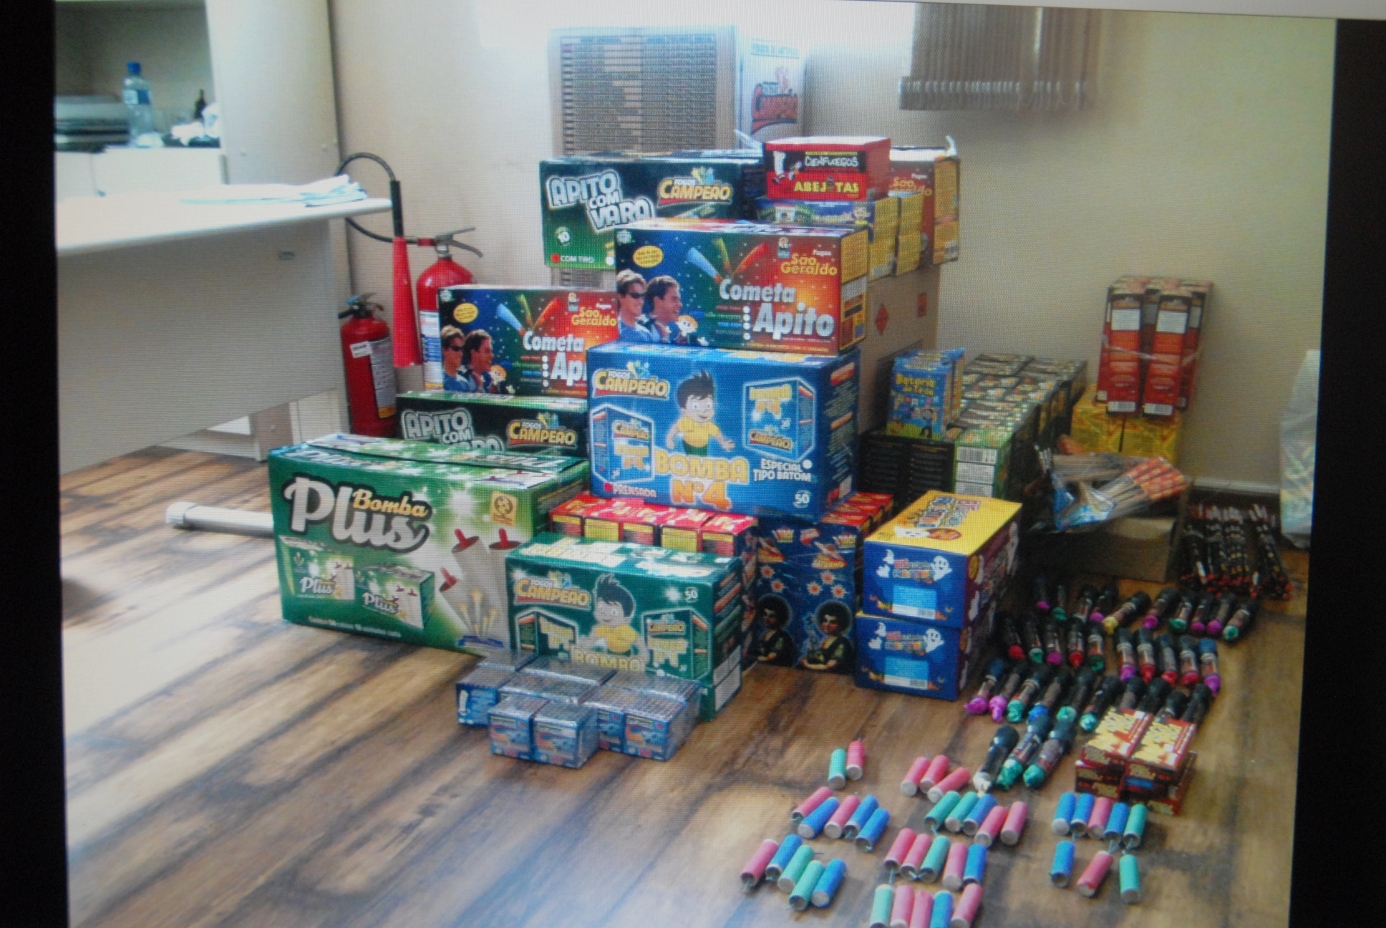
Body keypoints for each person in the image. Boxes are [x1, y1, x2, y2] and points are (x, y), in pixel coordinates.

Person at [666, 370, 734, 455]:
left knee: (702, 459)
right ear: (684, 411)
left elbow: (717, 434)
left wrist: (723, 442)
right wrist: (669, 439)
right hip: (688, 445)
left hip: (703, 447)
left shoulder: (709, 425)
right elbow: (676, 427)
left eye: (708, 405)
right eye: (696, 406)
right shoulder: (687, 422)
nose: (704, 410)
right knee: (690, 458)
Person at [589, 574, 640, 656]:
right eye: (601, 608)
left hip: (625, 655)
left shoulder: (625, 630)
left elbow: (639, 643)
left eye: (613, 612)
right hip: (609, 653)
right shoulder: (603, 628)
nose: (605, 614)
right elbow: (591, 639)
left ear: (626, 619)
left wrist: (644, 654)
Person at [800, 601, 855, 674]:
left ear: (841, 624)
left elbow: (830, 666)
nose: (827, 625)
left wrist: (807, 665)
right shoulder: (826, 639)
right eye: (825, 620)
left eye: (832, 622)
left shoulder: (842, 642)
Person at [451, 329, 508, 394]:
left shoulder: (489, 380)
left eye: (491, 351)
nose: (492, 356)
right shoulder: (459, 377)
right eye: (487, 351)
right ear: (474, 353)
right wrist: (479, 387)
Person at [754, 594, 796, 666]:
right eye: (765, 614)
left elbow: (770, 657)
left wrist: (751, 658)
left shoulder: (782, 637)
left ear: (779, 618)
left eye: (772, 616)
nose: (766, 618)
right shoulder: (764, 634)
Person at [615, 269, 656, 342]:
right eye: (635, 295)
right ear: (621, 297)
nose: (641, 301)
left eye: (642, 296)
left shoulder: (646, 334)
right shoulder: (613, 332)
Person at [440, 325, 469, 391]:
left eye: (461, 349)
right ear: (444, 350)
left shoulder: (464, 383)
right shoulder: (437, 382)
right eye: (456, 349)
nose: (461, 354)